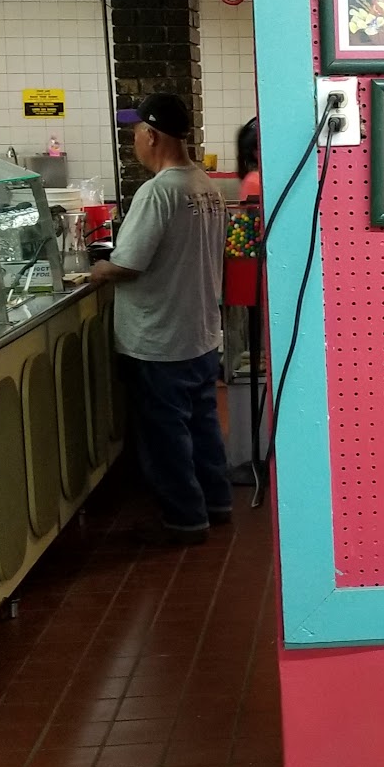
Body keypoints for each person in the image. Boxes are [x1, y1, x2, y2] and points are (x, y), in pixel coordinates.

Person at [90, 94, 232, 546]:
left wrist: (98, 270)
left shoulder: (159, 192)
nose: (134, 141)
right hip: (199, 333)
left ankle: (186, 519)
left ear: (150, 135)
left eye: (135, 132)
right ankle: (217, 503)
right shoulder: (205, 185)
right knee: (202, 426)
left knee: (166, 436)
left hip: (159, 339)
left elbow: (129, 264)